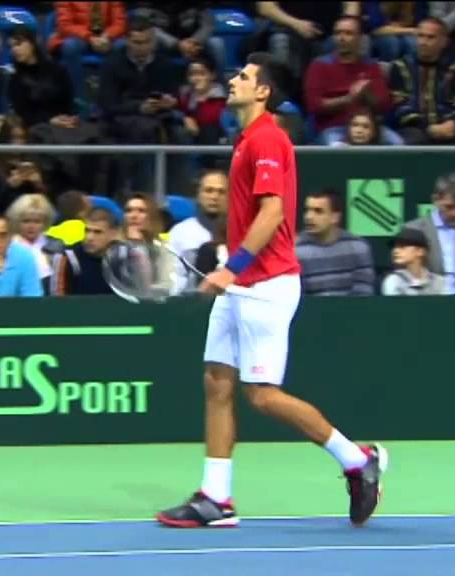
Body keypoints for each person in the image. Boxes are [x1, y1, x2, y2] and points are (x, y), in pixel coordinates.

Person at [156, 53, 387, 529]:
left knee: (262, 396)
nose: (233, 80)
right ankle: (216, 498)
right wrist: (231, 269)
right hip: (240, 284)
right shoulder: (245, 139)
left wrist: (232, 267)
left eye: (243, 76)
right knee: (217, 381)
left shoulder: (268, 139)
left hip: (266, 285)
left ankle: (358, 460)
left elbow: (273, 213)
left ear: (263, 91)